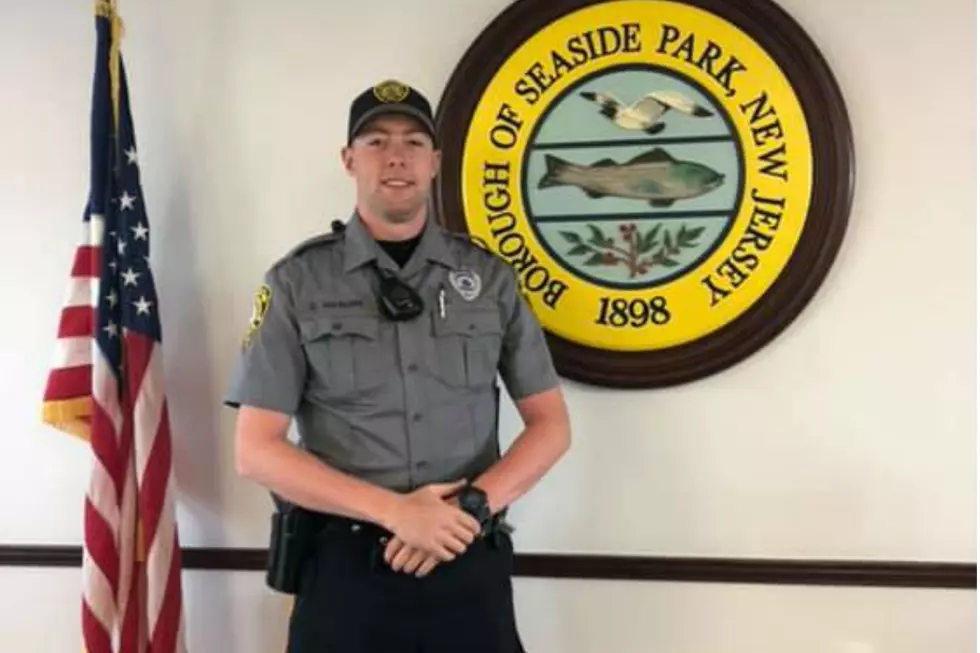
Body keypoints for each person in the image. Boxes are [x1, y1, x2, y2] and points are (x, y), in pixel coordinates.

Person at [223, 78, 572, 653]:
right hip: (345, 571)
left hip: (466, 556)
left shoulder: (488, 278)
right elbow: (255, 449)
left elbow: (551, 424)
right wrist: (395, 512)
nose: (395, 157)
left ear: (435, 161)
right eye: (376, 141)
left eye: (413, 142)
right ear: (348, 159)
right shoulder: (297, 283)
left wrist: (469, 508)